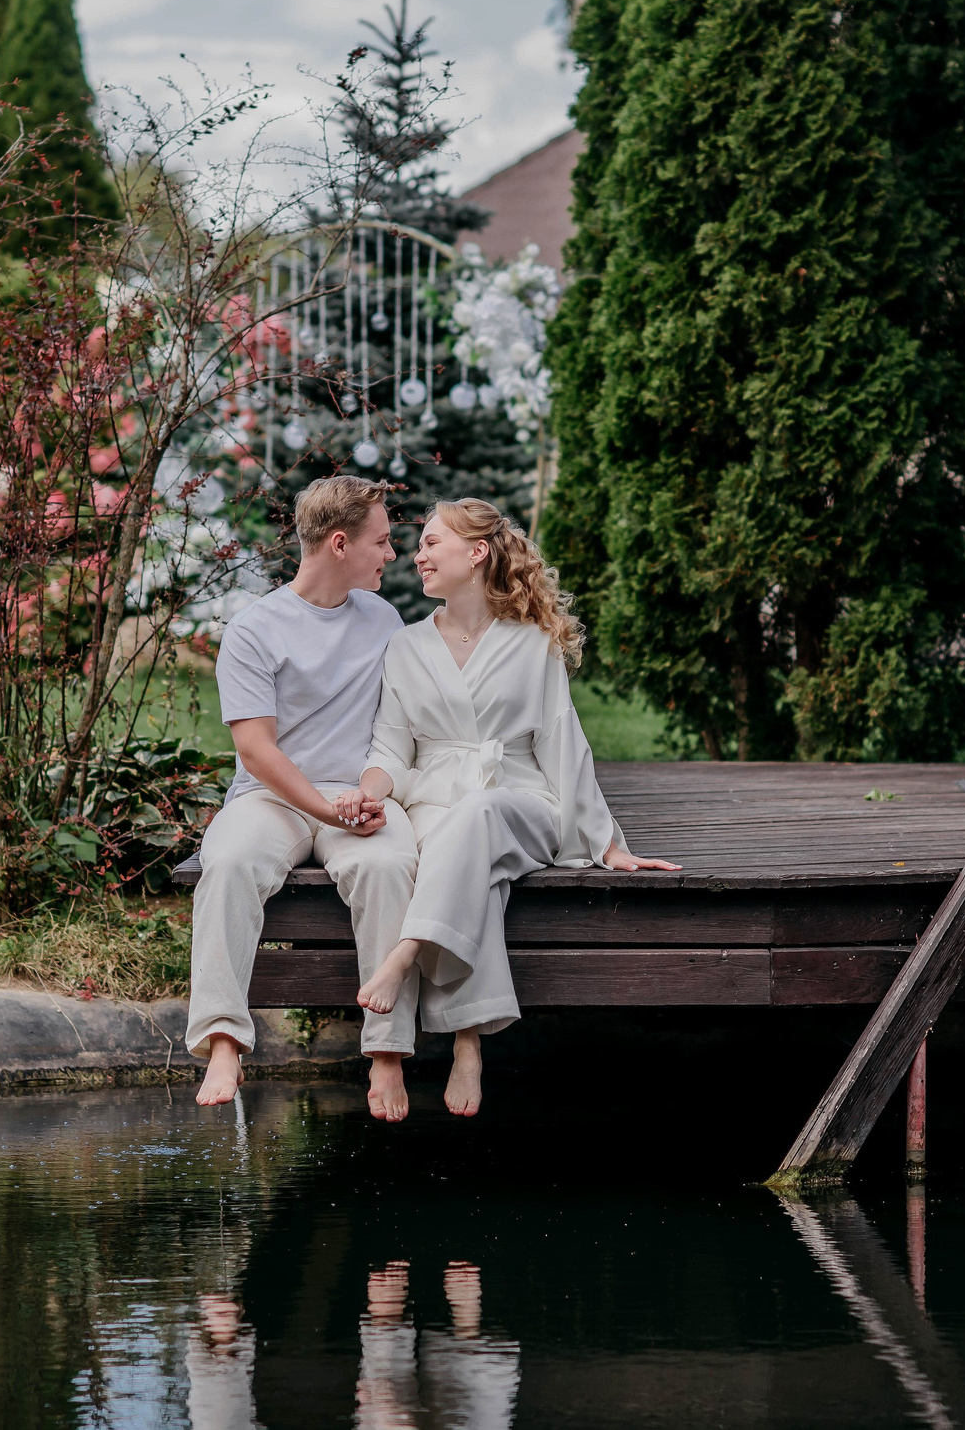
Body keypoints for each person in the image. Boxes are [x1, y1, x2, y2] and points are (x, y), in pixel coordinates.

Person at [352, 499, 675, 1114]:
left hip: (523, 802)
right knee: (472, 855)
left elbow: (563, 742)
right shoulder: (405, 647)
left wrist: (607, 843)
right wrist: (367, 794)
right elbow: (391, 749)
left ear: (475, 553)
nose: (415, 555)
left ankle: (406, 953)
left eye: (430, 542)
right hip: (436, 803)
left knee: (478, 816)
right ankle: (469, 1042)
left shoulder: (532, 644)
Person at [188, 475, 424, 1121]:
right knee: (230, 860)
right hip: (273, 795)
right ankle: (225, 1037)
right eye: (383, 541)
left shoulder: (382, 618)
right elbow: (258, 752)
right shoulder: (255, 629)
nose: (392, 554)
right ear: (340, 543)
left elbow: (396, 724)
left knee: (386, 865)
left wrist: (368, 795)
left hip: (357, 796)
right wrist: (324, 810)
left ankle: (386, 1049)